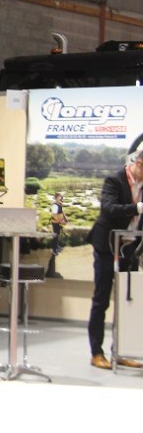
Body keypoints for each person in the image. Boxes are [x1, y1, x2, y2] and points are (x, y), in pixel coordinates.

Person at [86, 148, 143, 369]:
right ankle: (96, 353)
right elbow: (109, 209)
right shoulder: (114, 179)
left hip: (130, 248)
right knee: (101, 299)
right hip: (106, 245)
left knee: (128, 300)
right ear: (138, 163)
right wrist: (137, 207)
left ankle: (120, 351)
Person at [46, 192, 67, 278]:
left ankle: (56, 247)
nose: (61, 198)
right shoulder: (54, 205)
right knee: (55, 235)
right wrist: (60, 221)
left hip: (58, 222)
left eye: (61, 197)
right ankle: (54, 249)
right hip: (55, 223)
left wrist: (65, 219)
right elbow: (54, 215)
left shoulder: (59, 204)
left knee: (57, 234)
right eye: (59, 197)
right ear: (56, 197)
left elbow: (62, 212)